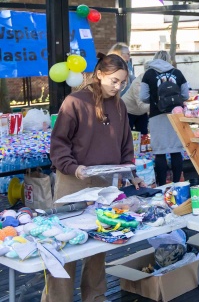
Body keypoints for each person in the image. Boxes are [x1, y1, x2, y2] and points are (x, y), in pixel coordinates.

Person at [47, 54, 143, 302]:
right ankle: (58, 299)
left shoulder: (120, 105)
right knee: (65, 245)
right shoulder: (74, 102)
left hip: (104, 183)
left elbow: (125, 147)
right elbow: (58, 145)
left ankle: (96, 296)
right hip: (73, 180)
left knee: (99, 242)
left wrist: (132, 174)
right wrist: (72, 167)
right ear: (99, 74)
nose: (118, 86)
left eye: (122, 82)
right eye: (114, 81)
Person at [140, 51, 189, 185]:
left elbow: (143, 97)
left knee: (159, 152)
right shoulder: (177, 73)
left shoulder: (148, 74)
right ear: (169, 59)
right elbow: (185, 95)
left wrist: (155, 99)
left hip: (156, 115)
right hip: (176, 115)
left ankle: (161, 186)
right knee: (176, 150)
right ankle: (177, 184)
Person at [122, 60, 152, 134]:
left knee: (144, 134)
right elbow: (142, 106)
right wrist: (158, 104)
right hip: (128, 111)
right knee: (127, 135)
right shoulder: (138, 84)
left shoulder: (152, 80)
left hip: (142, 112)